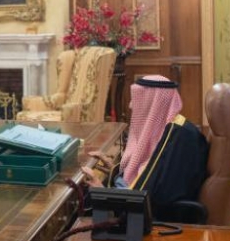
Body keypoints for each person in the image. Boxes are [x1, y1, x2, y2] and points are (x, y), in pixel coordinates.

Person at [82, 75, 209, 220]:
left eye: (138, 99)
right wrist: (115, 170)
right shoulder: (166, 128)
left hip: (154, 224)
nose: (131, 105)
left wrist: (102, 193)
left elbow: (155, 201)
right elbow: (150, 174)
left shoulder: (182, 138)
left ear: (154, 103)